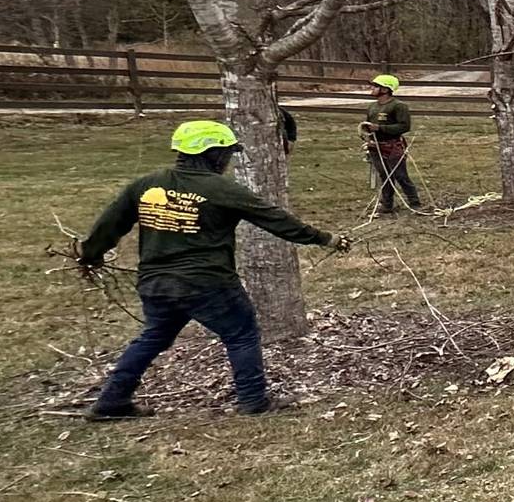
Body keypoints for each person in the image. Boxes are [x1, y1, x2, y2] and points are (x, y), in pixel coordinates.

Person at [77, 118, 350, 419]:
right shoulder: (220, 189)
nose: (228, 160)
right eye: (227, 153)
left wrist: (91, 255)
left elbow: (109, 224)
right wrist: (325, 238)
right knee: (241, 333)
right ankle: (254, 400)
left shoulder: (146, 185)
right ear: (212, 153)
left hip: (157, 283)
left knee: (153, 337)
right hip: (207, 283)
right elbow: (275, 219)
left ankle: (112, 401)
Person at [361, 73, 421, 214]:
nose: (372, 88)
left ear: (386, 89)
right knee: (385, 175)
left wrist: (381, 128)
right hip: (376, 146)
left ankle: (415, 202)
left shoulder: (398, 106)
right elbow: (368, 125)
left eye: (376, 86)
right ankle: (387, 204)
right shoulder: (372, 107)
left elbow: (404, 126)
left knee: (400, 175)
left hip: (393, 146)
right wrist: (366, 133)